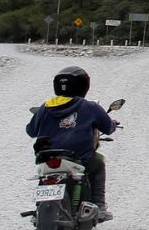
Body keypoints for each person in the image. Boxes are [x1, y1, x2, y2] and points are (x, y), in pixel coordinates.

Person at [26, 66, 118, 220]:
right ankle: (99, 205)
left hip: (47, 156)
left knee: (45, 175)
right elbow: (108, 128)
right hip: (78, 157)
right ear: (83, 85)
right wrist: (114, 123)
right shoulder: (89, 106)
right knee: (98, 164)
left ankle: (39, 209)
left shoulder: (45, 107)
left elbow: (31, 131)